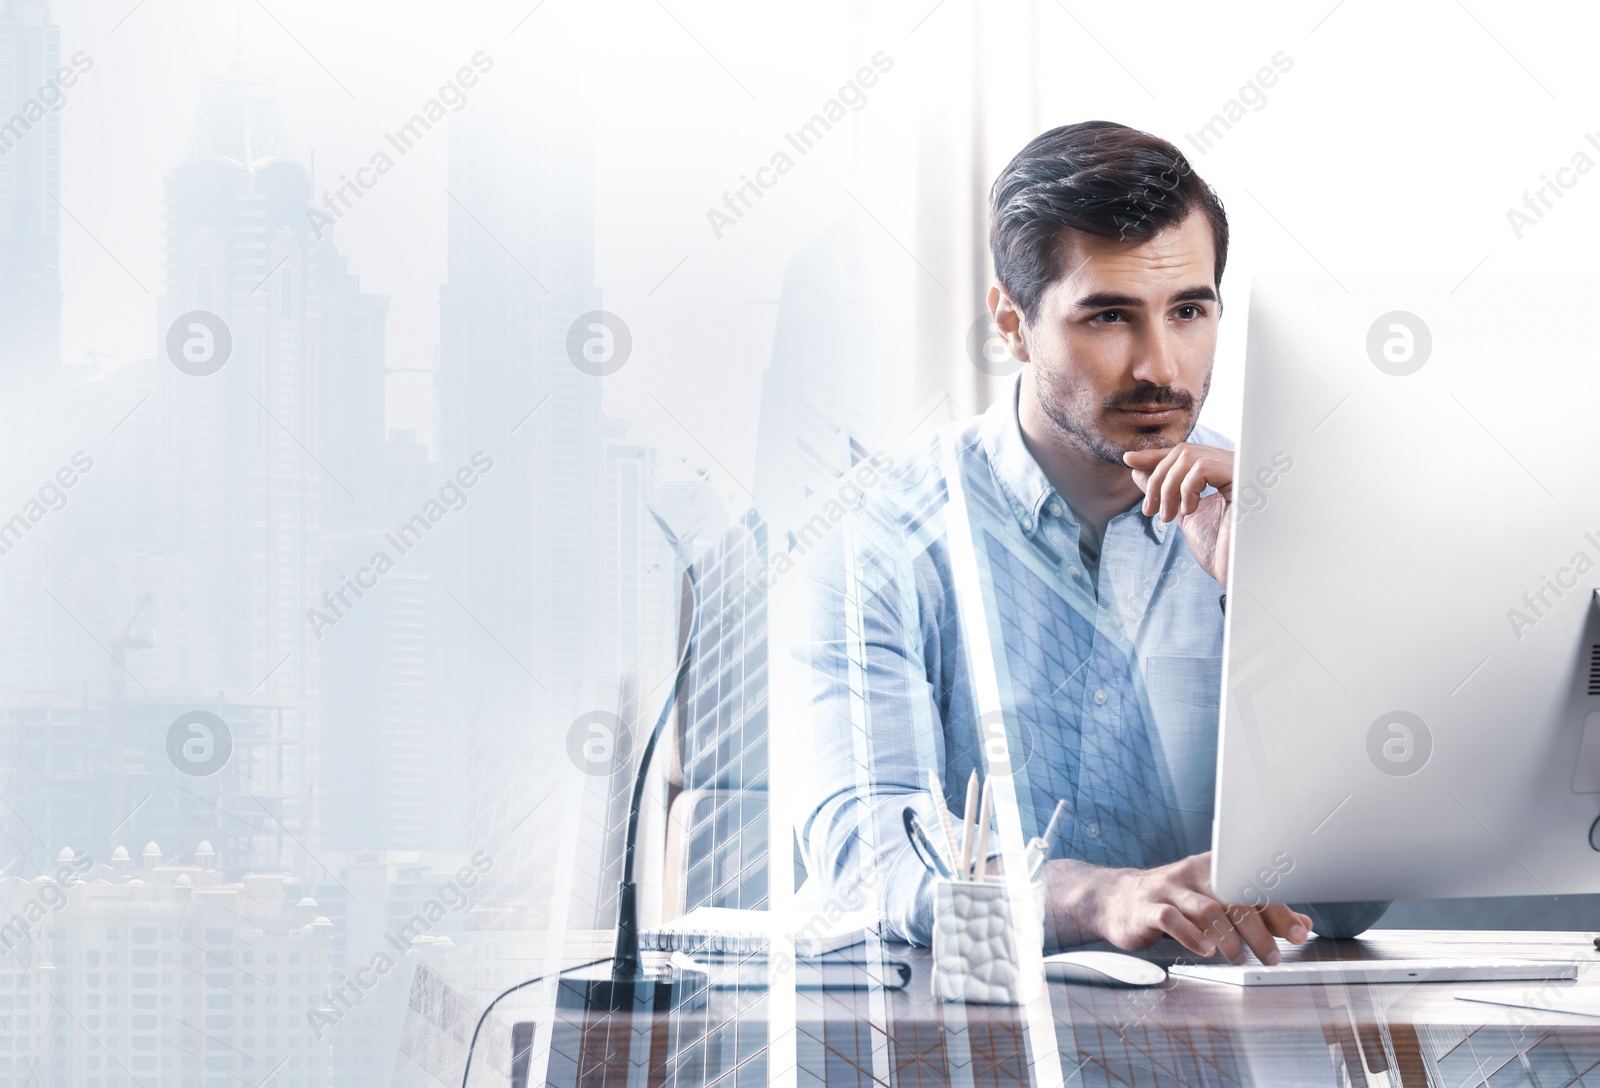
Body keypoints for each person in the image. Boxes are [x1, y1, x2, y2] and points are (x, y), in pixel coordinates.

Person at [786, 120, 1385, 962]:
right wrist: (1091, 898)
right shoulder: (881, 540)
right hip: (968, 1034)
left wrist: (1270, 608)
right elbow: (864, 853)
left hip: (1229, 1046)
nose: (1161, 367)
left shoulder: (1278, 524)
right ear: (1012, 323)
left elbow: (1350, 899)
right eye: (1109, 316)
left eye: (1189, 310)